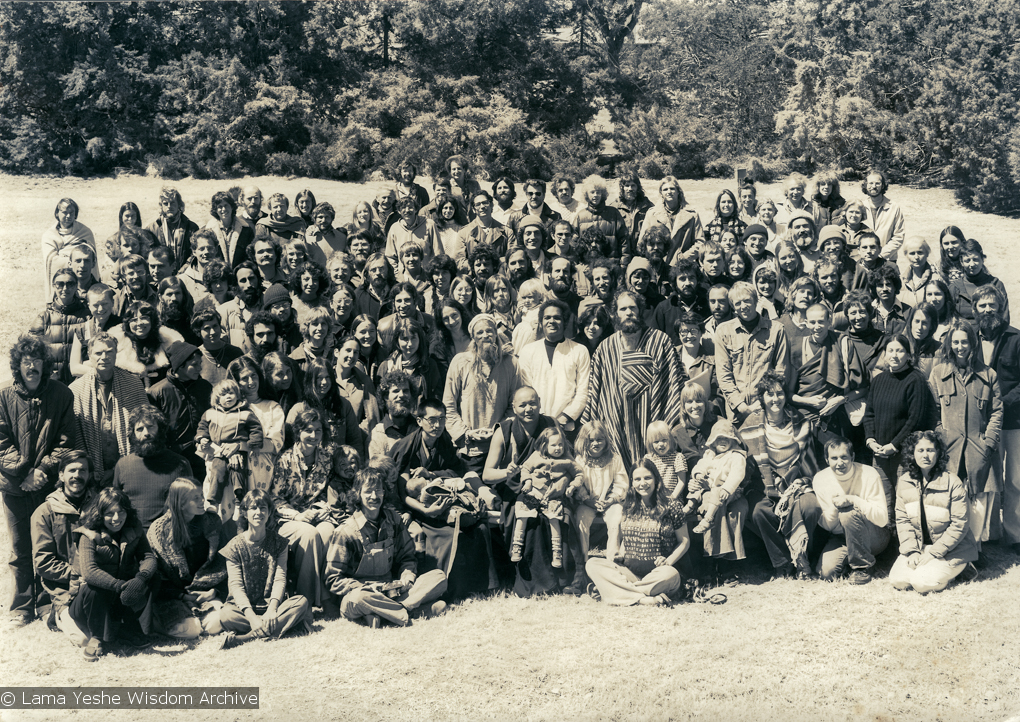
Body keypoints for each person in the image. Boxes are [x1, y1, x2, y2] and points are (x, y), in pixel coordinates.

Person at [1, 335, 80, 627]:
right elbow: (0, 442)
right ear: (17, 365)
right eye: (25, 361)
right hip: (14, 486)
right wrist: (24, 472)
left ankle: (48, 603)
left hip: (46, 487)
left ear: (45, 364)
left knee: (49, 547)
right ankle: (21, 607)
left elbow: (66, 440)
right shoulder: (3, 396)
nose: (31, 366)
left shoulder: (61, 394)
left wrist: (42, 471)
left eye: (36, 360)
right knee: (20, 548)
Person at [391, 399, 497, 600]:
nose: (437, 425)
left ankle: (479, 587)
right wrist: (428, 511)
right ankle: (448, 590)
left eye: (441, 419)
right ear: (419, 420)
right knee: (450, 535)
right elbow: (403, 494)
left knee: (478, 528)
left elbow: (457, 470)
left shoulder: (444, 442)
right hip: (418, 511)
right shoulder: (406, 447)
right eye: (431, 420)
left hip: (446, 503)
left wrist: (430, 474)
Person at [324, 467, 448, 627]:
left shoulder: (394, 520)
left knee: (439, 577)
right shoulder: (345, 531)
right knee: (359, 598)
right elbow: (333, 579)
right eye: (368, 491)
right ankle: (407, 613)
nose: (374, 496)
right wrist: (368, 587)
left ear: (384, 492)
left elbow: (407, 557)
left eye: (378, 490)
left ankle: (380, 615)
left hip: (392, 592)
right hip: (360, 594)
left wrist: (407, 578)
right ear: (358, 495)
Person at [582, 289, 685, 469]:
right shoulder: (605, 348)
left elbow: (674, 383)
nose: (628, 312)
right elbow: (595, 389)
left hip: (653, 420)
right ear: (615, 314)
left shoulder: (660, 341)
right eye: (623, 309)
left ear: (640, 311)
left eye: (633, 308)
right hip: (617, 425)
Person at [739, 372, 823, 578]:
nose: (775, 399)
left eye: (779, 393)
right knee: (760, 512)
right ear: (762, 398)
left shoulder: (800, 421)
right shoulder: (750, 424)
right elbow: (740, 456)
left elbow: (809, 463)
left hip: (797, 484)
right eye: (769, 394)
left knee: (811, 507)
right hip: (765, 486)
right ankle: (784, 563)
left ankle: (803, 555)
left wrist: (792, 483)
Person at [929, 318, 1003, 552]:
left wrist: (988, 442)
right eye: (956, 342)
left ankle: (976, 549)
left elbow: (997, 411)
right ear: (950, 345)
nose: (960, 347)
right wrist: (940, 436)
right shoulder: (938, 373)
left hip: (978, 448)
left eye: (965, 342)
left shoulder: (988, 375)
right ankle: (951, 547)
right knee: (950, 497)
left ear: (973, 344)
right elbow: (932, 411)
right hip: (948, 448)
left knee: (978, 498)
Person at [585, 458, 689, 606]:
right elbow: (626, 538)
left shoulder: (671, 505)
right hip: (630, 573)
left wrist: (668, 561)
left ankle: (616, 592)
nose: (642, 483)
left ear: (656, 479)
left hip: (658, 575)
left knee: (671, 575)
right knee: (593, 563)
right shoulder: (629, 504)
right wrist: (620, 554)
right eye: (637, 479)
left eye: (647, 478)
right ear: (632, 482)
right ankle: (644, 599)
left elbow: (684, 541)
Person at [68, 488, 157, 660]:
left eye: (121, 512)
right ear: (100, 514)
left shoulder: (134, 527)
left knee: (152, 577)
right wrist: (122, 586)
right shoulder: (87, 534)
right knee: (94, 588)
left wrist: (140, 578)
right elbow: (89, 572)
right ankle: (96, 637)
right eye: (110, 513)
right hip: (88, 602)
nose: (117, 519)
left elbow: (148, 557)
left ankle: (132, 629)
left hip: (118, 596)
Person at [218, 490, 312, 649]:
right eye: (253, 508)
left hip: (272, 608)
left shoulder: (280, 543)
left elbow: (280, 579)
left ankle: (246, 637)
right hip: (244, 610)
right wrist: (252, 617)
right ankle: (279, 628)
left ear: (269, 513)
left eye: (263, 508)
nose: (258, 513)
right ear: (245, 513)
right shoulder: (233, 546)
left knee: (301, 603)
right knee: (226, 615)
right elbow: (236, 586)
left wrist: (272, 609)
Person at [269, 408, 343, 611]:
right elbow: (274, 499)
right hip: (288, 518)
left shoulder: (327, 459)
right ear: (298, 432)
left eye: (318, 431)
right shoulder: (284, 460)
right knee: (309, 535)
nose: (313, 436)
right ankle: (306, 602)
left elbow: (331, 490)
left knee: (330, 533)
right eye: (308, 430)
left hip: (318, 514)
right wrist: (298, 516)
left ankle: (329, 598)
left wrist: (323, 508)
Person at [890, 431, 979, 593]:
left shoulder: (952, 481)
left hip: (951, 549)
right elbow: (903, 521)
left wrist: (934, 553)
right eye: (920, 450)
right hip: (920, 546)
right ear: (912, 453)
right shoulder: (904, 482)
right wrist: (911, 551)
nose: (925, 455)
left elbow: (960, 523)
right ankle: (932, 569)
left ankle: (963, 567)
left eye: (930, 450)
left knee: (921, 584)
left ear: (938, 453)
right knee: (898, 580)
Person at [146, 478, 226, 639]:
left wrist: (213, 591)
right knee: (191, 630)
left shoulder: (212, 522)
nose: (202, 501)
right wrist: (182, 596)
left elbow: (224, 561)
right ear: (181, 503)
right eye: (195, 498)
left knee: (216, 623)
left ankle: (199, 616)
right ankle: (157, 622)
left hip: (206, 593)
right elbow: (157, 576)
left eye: (201, 496)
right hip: (172, 596)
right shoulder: (158, 530)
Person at [30, 451, 94, 644]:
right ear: (61, 475)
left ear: (90, 475)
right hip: (61, 589)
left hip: (94, 585)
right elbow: (42, 562)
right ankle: (55, 615)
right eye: (71, 470)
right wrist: (75, 574)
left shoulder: (100, 506)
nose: (77, 475)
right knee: (83, 639)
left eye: (83, 470)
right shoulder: (45, 512)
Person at [69, 333, 149, 485]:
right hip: (90, 471)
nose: (104, 357)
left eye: (109, 351)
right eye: (98, 353)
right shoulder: (76, 390)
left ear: (116, 353)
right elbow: (75, 436)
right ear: (89, 355)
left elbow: (145, 427)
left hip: (129, 467)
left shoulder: (133, 384)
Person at [443, 314, 521, 467]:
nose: (485, 335)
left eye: (489, 331)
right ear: (473, 337)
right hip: (470, 449)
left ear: (495, 333)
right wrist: (465, 434)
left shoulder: (511, 363)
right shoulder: (460, 362)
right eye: (480, 332)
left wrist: (498, 431)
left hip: (502, 448)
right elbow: (448, 405)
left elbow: (515, 405)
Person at [812, 437, 890, 584]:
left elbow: (882, 519)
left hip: (873, 534)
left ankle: (862, 568)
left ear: (852, 457)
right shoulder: (820, 479)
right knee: (827, 573)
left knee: (848, 513)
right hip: (841, 537)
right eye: (834, 458)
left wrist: (853, 500)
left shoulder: (869, 473)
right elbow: (827, 525)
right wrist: (836, 507)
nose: (839, 463)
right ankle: (852, 560)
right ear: (827, 460)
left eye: (844, 457)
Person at [714, 282, 790, 424]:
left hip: (768, 409)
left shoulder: (776, 330)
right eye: (738, 303)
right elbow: (723, 375)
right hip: (737, 413)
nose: (743, 307)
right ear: (732, 306)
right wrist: (742, 407)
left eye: (747, 301)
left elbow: (781, 372)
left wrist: (763, 403)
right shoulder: (723, 331)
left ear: (756, 300)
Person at [510, 428, 583, 568]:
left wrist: (573, 486)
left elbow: (579, 474)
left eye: (561, 444)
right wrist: (528, 481)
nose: (558, 448)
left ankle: (557, 553)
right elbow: (525, 468)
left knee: (554, 517)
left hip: (552, 496)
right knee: (522, 513)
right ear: (544, 445)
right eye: (554, 445)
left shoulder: (567, 460)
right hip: (534, 492)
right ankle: (517, 546)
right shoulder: (537, 456)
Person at [112, 405, 193, 529]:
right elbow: (116, 505)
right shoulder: (122, 465)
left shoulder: (180, 464)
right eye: (140, 429)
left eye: (151, 427)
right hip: (133, 539)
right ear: (132, 434)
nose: (146, 433)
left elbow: (189, 507)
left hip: (169, 536)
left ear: (160, 429)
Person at [518, 299, 590, 434]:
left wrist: (564, 417)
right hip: (535, 426)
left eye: (557, 318)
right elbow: (526, 389)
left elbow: (583, 391)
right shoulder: (528, 351)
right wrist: (538, 419)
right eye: (547, 318)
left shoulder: (579, 351)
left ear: (565, 322)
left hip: (566, 427)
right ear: (541, 322)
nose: (551, 321)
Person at [196, 379, 264, 521]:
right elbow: (202, 427)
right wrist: (202, 438)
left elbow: (255, 428)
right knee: (217, 470)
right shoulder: (209, 413)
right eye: (224, 394)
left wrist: (254, 444)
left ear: (237, 395)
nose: (228, 397)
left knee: (238, 471)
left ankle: (240, 504)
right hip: (218, 451)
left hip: (238, 450)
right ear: (217, 398)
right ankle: (213, 502)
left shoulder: (245, 413)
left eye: (231, 393)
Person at [685, 419, 749, 565]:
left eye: (726, 439)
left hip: (731, 491)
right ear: (713, 441)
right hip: (712, 488)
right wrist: (698, 474)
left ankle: (708, 519)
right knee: (698, 487)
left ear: (732, 441)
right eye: (719, 439)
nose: (722, 442)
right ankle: (689, 506)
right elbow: (701, 465)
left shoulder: (736, 456)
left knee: (716, 493)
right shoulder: (710, 455)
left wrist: (728, 488)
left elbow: (737, 474)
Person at [147, 340, 212, 478]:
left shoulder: (205, 387)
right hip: (174, 460)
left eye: (200, 364)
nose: (199, 368)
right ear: (179, 366)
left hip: (204, 457)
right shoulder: (157, 392)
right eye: (194, 365)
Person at [31, 268, 92, 384]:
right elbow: (31, 352)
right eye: (60, 284)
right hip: (51, 383)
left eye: (70, 284)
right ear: (54, 286)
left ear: (76, 286)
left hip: (80, 381)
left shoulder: (87, 316)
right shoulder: (43, 318)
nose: (65, 288)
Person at [638, 177, 703, 264]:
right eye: (665, 189)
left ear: (678, 191)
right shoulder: (652, 214)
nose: (669, 192)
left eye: (672, 188)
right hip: (658, 264)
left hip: (683, 266)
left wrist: (684, 258)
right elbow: (642, 242)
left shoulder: (692, 215)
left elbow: (700, 243)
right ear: (661, 193)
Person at [43, 198, 96, 296]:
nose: (68, 216)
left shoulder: (85, 232)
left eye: (72, 213)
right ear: (57, 214)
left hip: (84, 282)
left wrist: (64, 254)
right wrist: (74, 257)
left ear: (76, 214)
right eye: (64, 212)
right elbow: (52, 261)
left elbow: (90, 257)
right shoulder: (49, 236)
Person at [335, 335, 381, 448]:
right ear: (337, 352)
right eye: (348, 350)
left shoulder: (364, 382)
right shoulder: (326, 379)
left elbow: (372, 418)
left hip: (355, 444)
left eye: (356, 352)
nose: (351, 356)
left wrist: (354, 433)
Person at [951, 239, 1009, 324]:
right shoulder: (955, 287)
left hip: (991, 335)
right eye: (967, 260)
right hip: (964, 335)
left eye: (975, 259)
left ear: (982, 259)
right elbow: (950, 319)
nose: (972, 264)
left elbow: (1004, 319)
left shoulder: (996, 284)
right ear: (961, 262)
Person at [571, 175, 629, 259]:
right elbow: (574, 243)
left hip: (611, 262)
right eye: (592, 192)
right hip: (587, 264)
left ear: (603, 194)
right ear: (586, 194)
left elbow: (624, 241)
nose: (596, 195)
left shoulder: (614, 213)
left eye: (598, 192)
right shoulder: (581, 215)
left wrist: (623, 265)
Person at [147, 187, 200, 267]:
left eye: (172, 203)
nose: (169, 206)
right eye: (165, 203)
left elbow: (196, 251)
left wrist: (186, 266)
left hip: (185, 273)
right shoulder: (152, 228)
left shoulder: (191, 227)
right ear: (161, 206)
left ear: (179, 204)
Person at [860, 171, 905, 261]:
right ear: (865, 185)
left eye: (877, 183)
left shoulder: (894, 207)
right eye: (870, 183)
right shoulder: (860, 207)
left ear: (883, 185)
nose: (873, 186)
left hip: (888, 259)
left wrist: (880, 255)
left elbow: (898, 236)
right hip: (865, 259)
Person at [206, 190, 254, 268]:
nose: (223, 209)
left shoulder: (246, 229)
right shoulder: (208, 230)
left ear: (232, 207)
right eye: (220, 207)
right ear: (215, 210)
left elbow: (250, 256)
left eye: (226, 205)